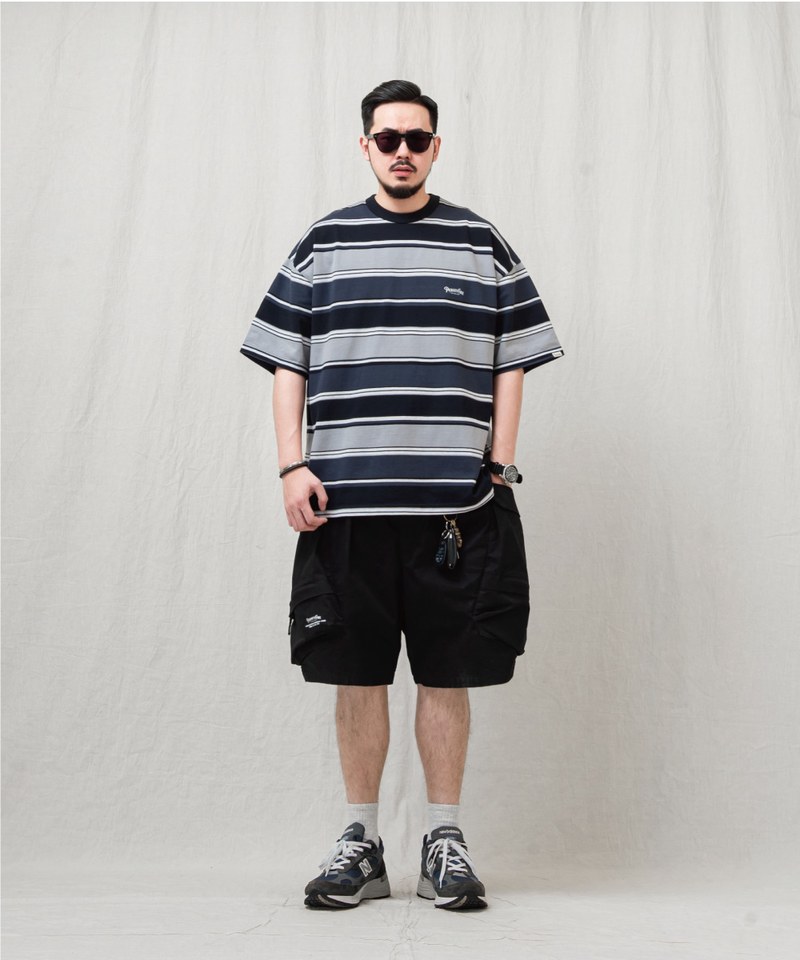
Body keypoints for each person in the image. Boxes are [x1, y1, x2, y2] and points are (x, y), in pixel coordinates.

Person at [240, 80, 564, 911]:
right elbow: (286, 360)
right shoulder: (324, 243)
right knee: (357, 677)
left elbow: (514, 355)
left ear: (435, 146)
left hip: (457, 508)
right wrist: (291, 466)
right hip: (345, 506)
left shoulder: (479, 241)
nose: (403, 152)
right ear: (366, 146)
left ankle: (444, 840)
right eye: (387, 139)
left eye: (417, 139)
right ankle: (361, 842)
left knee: (447, 675)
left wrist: (501, 464)